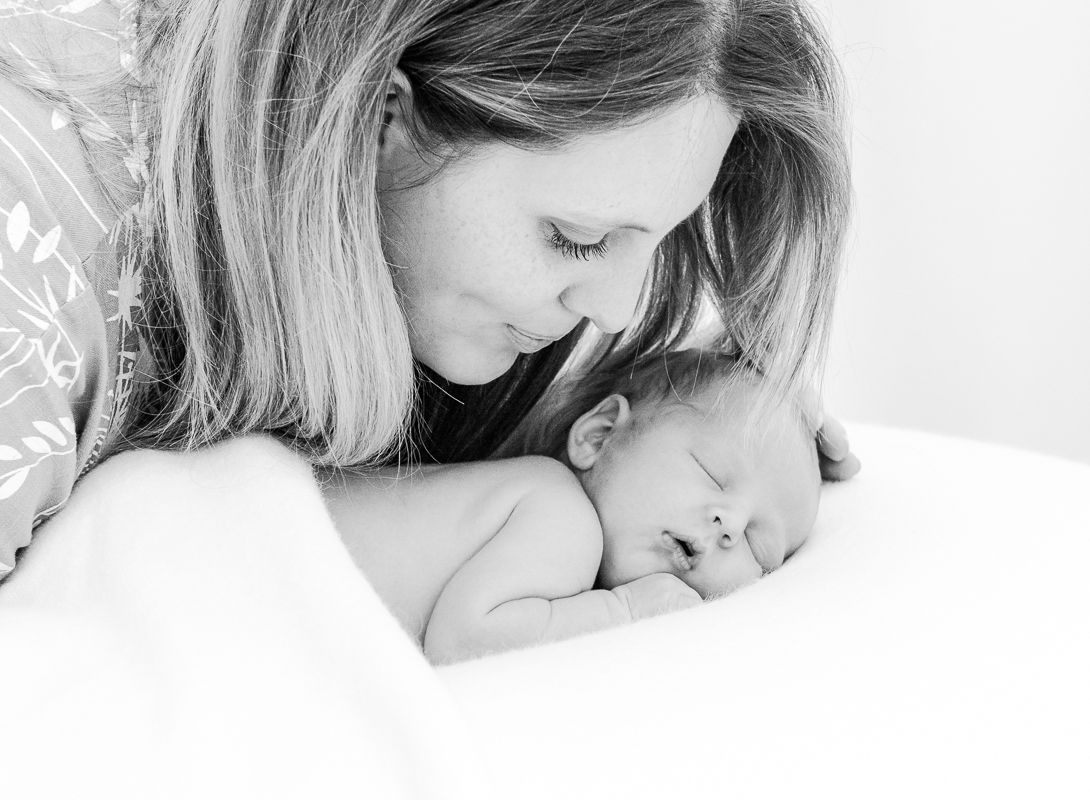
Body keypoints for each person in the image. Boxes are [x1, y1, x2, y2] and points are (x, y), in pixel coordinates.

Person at [0, 0, 858, 581]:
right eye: (579, 237)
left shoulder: (357, 264)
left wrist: (703, 425)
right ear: (380, 113)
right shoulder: (32, 256)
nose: (618, 311)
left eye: (657, 240)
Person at [322, 350, 822, 664]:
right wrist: (624, 610)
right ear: (599, 435)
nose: (730, 523)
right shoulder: (560, 511)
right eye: (711, 471)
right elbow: (463, 642)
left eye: (760, 545)